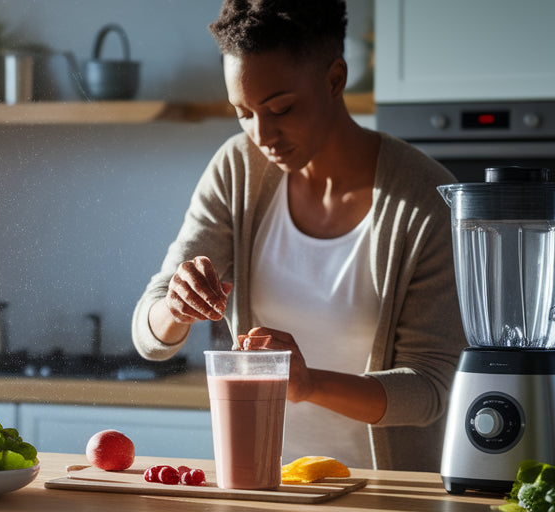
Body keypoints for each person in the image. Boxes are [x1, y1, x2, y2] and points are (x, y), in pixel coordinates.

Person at [129, 0, 466, 472]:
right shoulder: (237, 169)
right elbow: (149, 335)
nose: (261, 134)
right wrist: (175, 308)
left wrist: (308, 383)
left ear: (335, 79)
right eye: (243, 112)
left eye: (281, 108)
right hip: (263, 489)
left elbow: (429, 390)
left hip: (385, 494)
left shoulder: (423, 201)